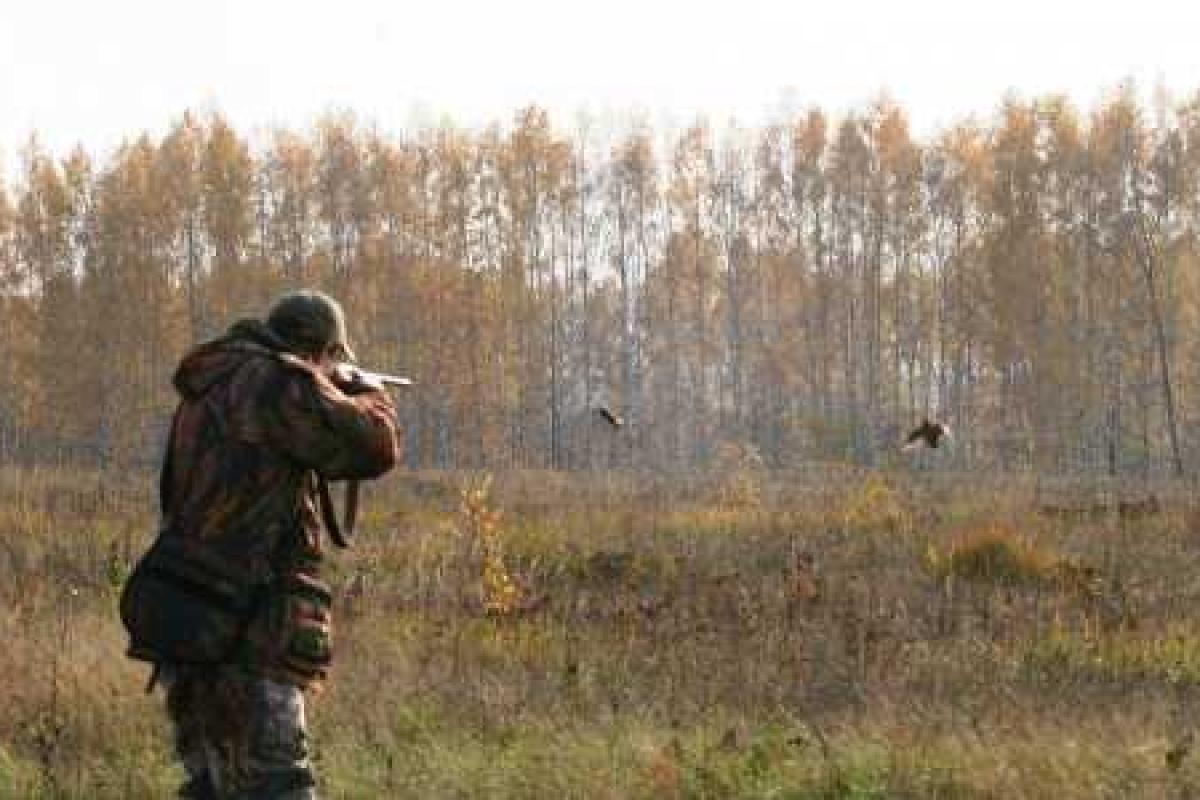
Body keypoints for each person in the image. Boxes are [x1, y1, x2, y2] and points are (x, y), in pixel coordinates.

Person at [121, 289, 400, 799]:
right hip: (251, 623)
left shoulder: (209, 385)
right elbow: (372, 447)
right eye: (334, 358)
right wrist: (369, 396)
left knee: (210, 783)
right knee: (278, 783)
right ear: (322, 351)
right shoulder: (278, 384)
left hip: (188, 616)